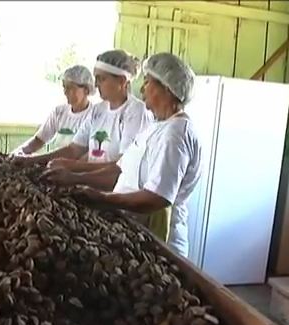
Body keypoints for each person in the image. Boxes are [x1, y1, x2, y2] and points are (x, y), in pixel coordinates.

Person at [46, 53, 202, 258]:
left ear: (166, 89)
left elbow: (156, 199)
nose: (142, 89)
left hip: (158, 242)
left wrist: (103, 199)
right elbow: (120, 166)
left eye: (148, 82)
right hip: (136, 232)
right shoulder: (156, 127)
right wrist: (75, 178)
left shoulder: (175, 134)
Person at [14, 49, 153, 172]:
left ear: (122, 81)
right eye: (96, 79)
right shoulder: (98, 111)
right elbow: (74, 149)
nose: (96, 84)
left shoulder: (136, 112)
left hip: (115, 193)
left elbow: (123, 167)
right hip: (91, 186)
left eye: (101, 79)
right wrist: (31, 160)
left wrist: (73, 168)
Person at [13, 65, 95, 155]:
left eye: (70, 88)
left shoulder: (95, 116)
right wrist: (16, 153)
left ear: (86, 90)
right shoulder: (59, 112)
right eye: (64, 87)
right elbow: (39, 140)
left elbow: (77, 152)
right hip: (54, 163)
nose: (65, 92)